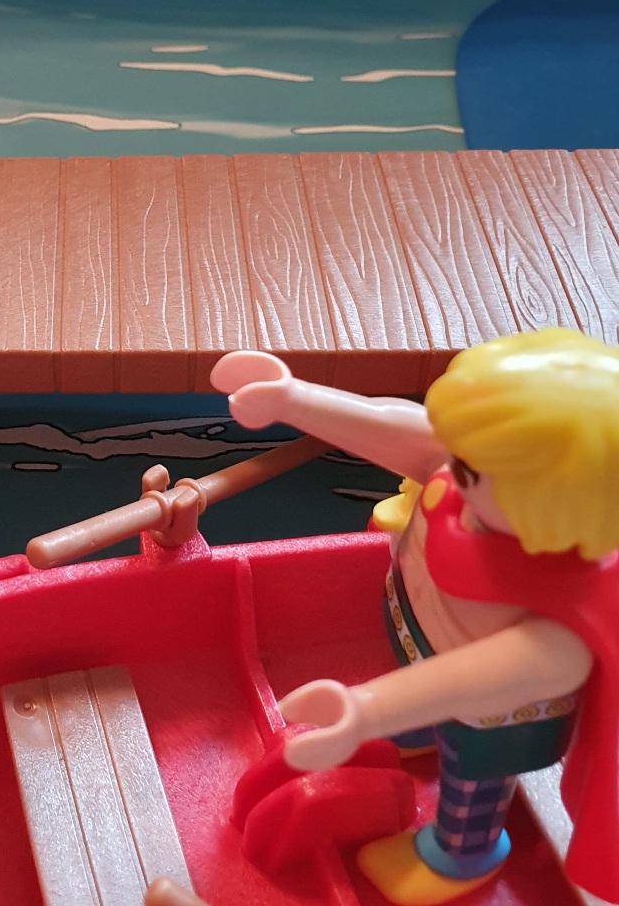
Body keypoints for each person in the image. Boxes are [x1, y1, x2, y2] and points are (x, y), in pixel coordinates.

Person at [212, 329, 619, 906]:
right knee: (422, 704)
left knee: (473, 784)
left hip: (491, 721)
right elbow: (394, 427)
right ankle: (415, 731)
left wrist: (364, 711)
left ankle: (462, 857)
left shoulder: (557, 630)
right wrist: (293, 398)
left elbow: (468, 679)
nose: (445, 457)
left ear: (555, 500)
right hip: (421, 645)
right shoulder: (474, 484)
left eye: (467, 461)